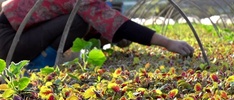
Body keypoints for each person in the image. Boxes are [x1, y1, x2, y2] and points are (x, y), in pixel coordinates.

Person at [0, 0, 194, 69]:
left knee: (84, 21)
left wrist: (115, 38)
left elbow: (105, 25)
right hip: (9, 42)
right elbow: (118, 24)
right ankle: (39, 64)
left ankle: (40, 58)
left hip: (18, 37)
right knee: (79, 20)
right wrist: (167, 42)